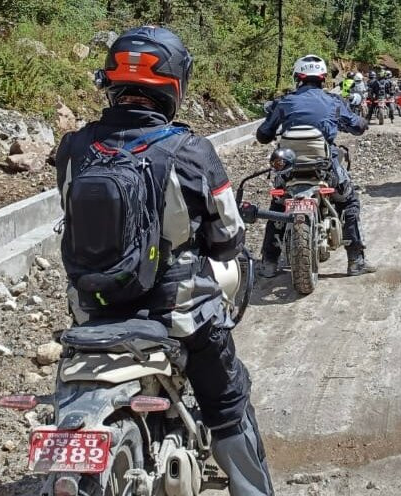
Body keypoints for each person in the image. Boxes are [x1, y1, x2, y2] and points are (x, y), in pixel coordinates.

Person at [55, 26, 274, 496]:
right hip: (176, 315)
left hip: (91, 311)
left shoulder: (75, 147)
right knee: (229, 401)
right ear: (175, 84)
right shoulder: (190, 150)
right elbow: (228, 235)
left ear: (111, 82)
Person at [255, 54, 374, 277]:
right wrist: (362, 122)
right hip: (325, 167)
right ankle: (356, 260)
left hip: (289, 170)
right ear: (323, 78)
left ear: (297, 77)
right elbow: (357, 127)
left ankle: (269, 263)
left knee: (278, 205)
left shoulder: (285, 102)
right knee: (349, 201)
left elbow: (263, 135)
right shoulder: (334, 101)